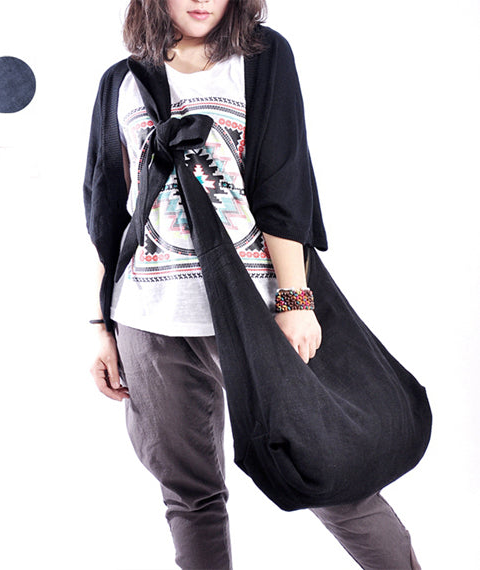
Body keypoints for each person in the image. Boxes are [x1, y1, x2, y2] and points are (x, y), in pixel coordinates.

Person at [83, 1, 422, 568]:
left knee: (328, 471)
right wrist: (101, 326)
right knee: (189, 495)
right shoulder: (120, 82)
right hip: (145, 318)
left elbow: (284, 183)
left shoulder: (261, 59)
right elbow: (105, 214)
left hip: (252, 314)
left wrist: (295, 299)